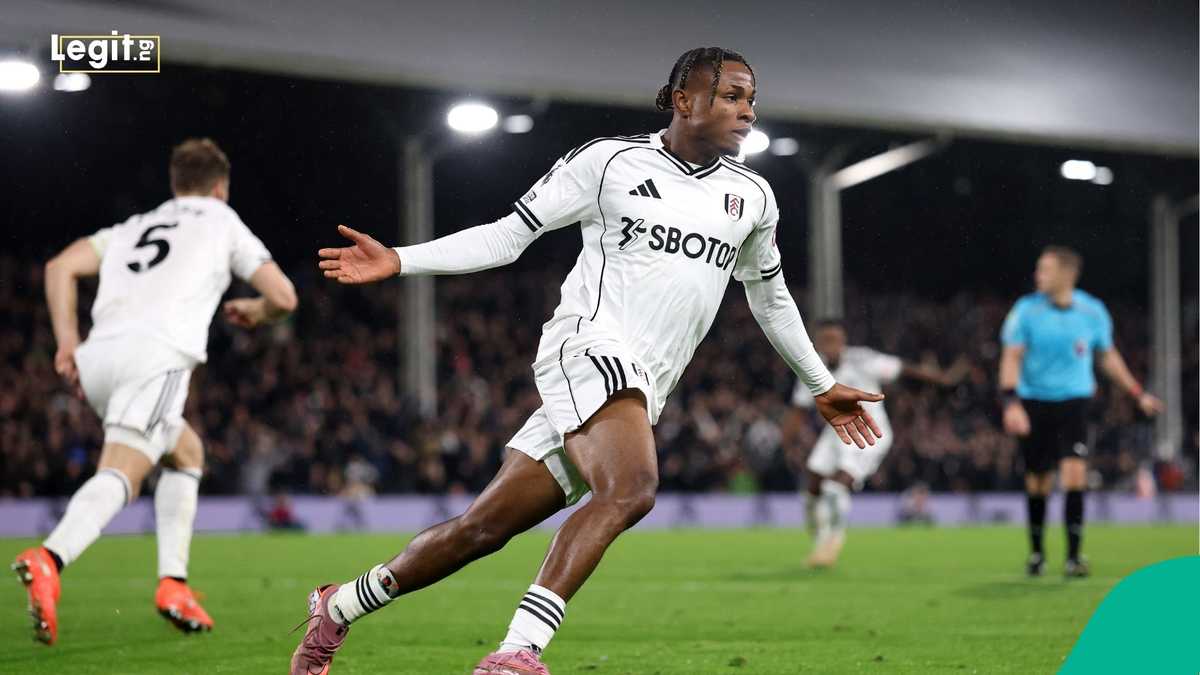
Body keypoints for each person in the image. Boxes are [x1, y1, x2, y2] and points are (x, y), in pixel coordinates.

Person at [292, 47, 885, 675]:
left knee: (481, 530)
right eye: (732, 96)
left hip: (643, 384)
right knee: (631, 488)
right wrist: (402, 259)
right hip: (589, 347)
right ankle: (517, 651)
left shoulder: (753, 196)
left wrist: (820, 383)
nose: (748, 111)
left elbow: (771, 297)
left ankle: (338, 606)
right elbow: (508, 236)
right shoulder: (609, 162)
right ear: (684, 100)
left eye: (751, 99)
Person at [12, 138, 298, 644]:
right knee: (124, 470)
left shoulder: (136, 225)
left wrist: (67, 343)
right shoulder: (221, 220)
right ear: (220, 187)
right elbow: (284, 296)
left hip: (98, 357)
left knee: (186, 452)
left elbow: (59, 267)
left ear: (175, 183)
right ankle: (50, 557)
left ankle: (174, 584)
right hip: (155, 358)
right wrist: (256, 311)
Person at [999, 246, 1162, 578]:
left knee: (1075, 473)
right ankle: (1037, 555)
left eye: (1045, 269)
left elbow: (1108, 356)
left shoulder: (1092, 311)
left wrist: (1137, 393)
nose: (1038, 275)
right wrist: (1011, 403)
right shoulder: (1026, 310)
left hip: (1075, 401)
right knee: (1038, 480)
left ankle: (1073, 557)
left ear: (1067, 274)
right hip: (1034, 402)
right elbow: (1011, 357)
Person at [792, 319, 965, 568]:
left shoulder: (862, 360)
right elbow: (799, 408)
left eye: (836, 340)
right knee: (812, 487)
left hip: (869, 434)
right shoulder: (810, 367)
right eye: (826, 340)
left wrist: (940, 378)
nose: (831, 345)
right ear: (817, 343)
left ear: (843, 341)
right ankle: (819, 538)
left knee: (835, 487)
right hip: (835, 433)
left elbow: (902, 368)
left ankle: (832, 544)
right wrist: (788, 442)